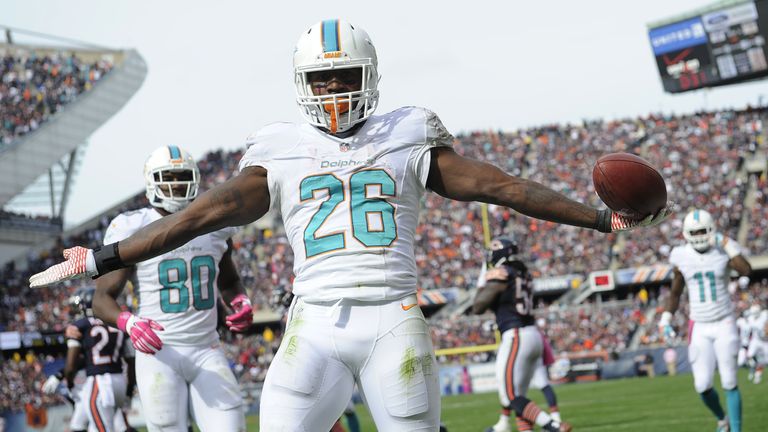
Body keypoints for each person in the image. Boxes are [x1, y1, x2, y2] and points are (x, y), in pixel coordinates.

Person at [29, 19, 668, 431]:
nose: (334, 93)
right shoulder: (277, 147)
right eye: (321, 80)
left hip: (393, 319)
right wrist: (106, 259)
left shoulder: (407, 132)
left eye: (345, 77)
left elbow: (504, 187)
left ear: (370, 79)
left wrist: (601, 219)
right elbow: (197, 217)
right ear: (302, 86)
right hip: (311, 327)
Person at [94, 146, 250, 431]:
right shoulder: (133, 226)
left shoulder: (214, 223)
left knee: (231, 426)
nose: (177, 183)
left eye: (182, 176)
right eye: (169, 176)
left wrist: (239, 300)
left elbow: (228, 282)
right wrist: (129, 323)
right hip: (159, 352)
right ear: (152, 181)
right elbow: (102, 298)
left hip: (206, 347)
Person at [658, 209, 751, 432]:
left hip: (724, 321)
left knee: (729, 380)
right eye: (695, 231)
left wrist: (728, 244)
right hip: (699, 325)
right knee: (702, 385)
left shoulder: (723, 249)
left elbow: (746, 270)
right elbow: (676, 291)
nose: (699, 235)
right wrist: (666, 319)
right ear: (686, 233)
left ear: (712, 230)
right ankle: (722, 419)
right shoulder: (680, 255)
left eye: (703, 230)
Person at [472, 238, 571, 432]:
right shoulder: (523, 272)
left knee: (509, 395)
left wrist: (482, 280)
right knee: (519, 396)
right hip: (532, 334)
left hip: (516, 335)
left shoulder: (502, 273)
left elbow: (478, 306)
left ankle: (552, 426)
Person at [42, 288, 136, 432]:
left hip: (99, 383)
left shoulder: (80, 326)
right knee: (116, 425)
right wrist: (129, 393)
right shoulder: (119, 323)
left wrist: (68, 381)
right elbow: (131, 363)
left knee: (100, 428)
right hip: (120, 382)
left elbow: (73, 364)